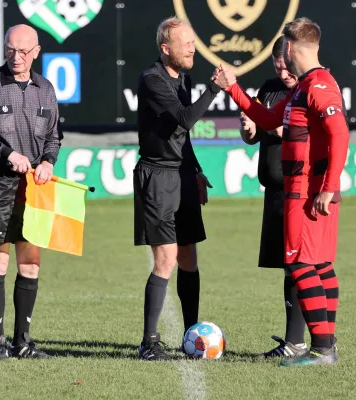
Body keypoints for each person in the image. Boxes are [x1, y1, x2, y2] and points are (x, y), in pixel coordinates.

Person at [216, 17, 348, 366]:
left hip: (306, 191)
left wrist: (328, 186)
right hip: (307, 189)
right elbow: (266, 117)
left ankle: (320, 349)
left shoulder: (319, 86)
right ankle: (327, 346)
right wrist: (233, 88)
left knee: (300, 263)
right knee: (318, 264)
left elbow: (339, 134)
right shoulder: (302, 88)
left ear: (290, 49)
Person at [0, 24, 63, 361]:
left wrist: (48, 161)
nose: (16, 57)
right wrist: (7, 155)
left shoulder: (46, 89)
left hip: (35, 189)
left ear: (36, 52)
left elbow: (53, 137)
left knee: (31, 265)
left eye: (23, 51)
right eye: (10, 49)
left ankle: (23, 342)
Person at [133, 17, 230, 361]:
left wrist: (198, 170)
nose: (192, 47)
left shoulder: (184, 79)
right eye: (185, 42)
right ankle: (149, 342)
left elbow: (182, 137)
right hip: (158, 177)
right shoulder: (152, 80)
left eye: (192, 41)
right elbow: (186, 119)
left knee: (189, 257)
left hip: (184, 175)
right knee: (166, 259)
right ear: (165, 49)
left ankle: (192, 334)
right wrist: (215, 89)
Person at [239, 35, 308, 359]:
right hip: (274, 192)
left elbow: (297, 132)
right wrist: (249, 127)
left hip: (298, 191)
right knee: (287, 266)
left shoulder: (308, 89)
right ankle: (294, 340)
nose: (282, 73)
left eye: (285, 66)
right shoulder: (269, 89)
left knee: (300, 265)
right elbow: (252, 137)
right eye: (277, 67)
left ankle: (303, 340)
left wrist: (269, 122)